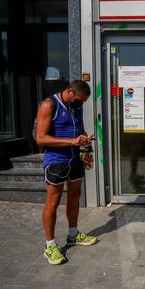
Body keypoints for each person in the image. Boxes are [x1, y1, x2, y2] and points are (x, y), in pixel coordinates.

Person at [36, 80, 98, 265]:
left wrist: (85, 139)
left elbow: (78, 128)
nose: (82, 104)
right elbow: (40, 138)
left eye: (84, 101)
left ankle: (73, 234)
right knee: (53, 201)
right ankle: (50, 245)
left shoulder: (76, 106)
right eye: (80, 100)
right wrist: (71, 141)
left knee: (75, 196)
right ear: (70, 92)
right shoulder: (49, 105)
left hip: (75, 160)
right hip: (56, 161)